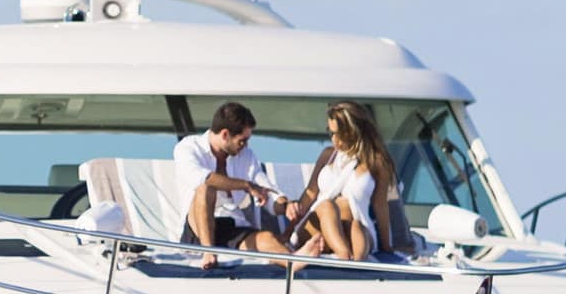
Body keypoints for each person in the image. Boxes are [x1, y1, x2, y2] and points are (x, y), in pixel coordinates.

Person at [286, 101, 409, 261]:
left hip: (354, 227)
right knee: (327, 206)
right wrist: (286, 233)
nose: (334, 140)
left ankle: (355, 261)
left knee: (358, 227)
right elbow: (310, 194)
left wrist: (387, 247)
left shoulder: (376, 161)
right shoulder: (327, 155)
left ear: (354, 131)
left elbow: (380, 206)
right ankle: (344, 256)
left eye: (339, 134)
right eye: (331, 133)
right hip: (320, 225)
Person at [172, 102, 288, 268]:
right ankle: (209, 252)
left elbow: (264, 187)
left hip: (232, 224)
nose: (245, 146)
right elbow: (203, 179)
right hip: (197, 229)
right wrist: (246, 185)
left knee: (267, 238)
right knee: (206, 187)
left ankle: (294, 262)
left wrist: (284, 204)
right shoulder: (187, 148)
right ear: (225, 134)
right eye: (242, 141)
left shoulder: (245, 155)